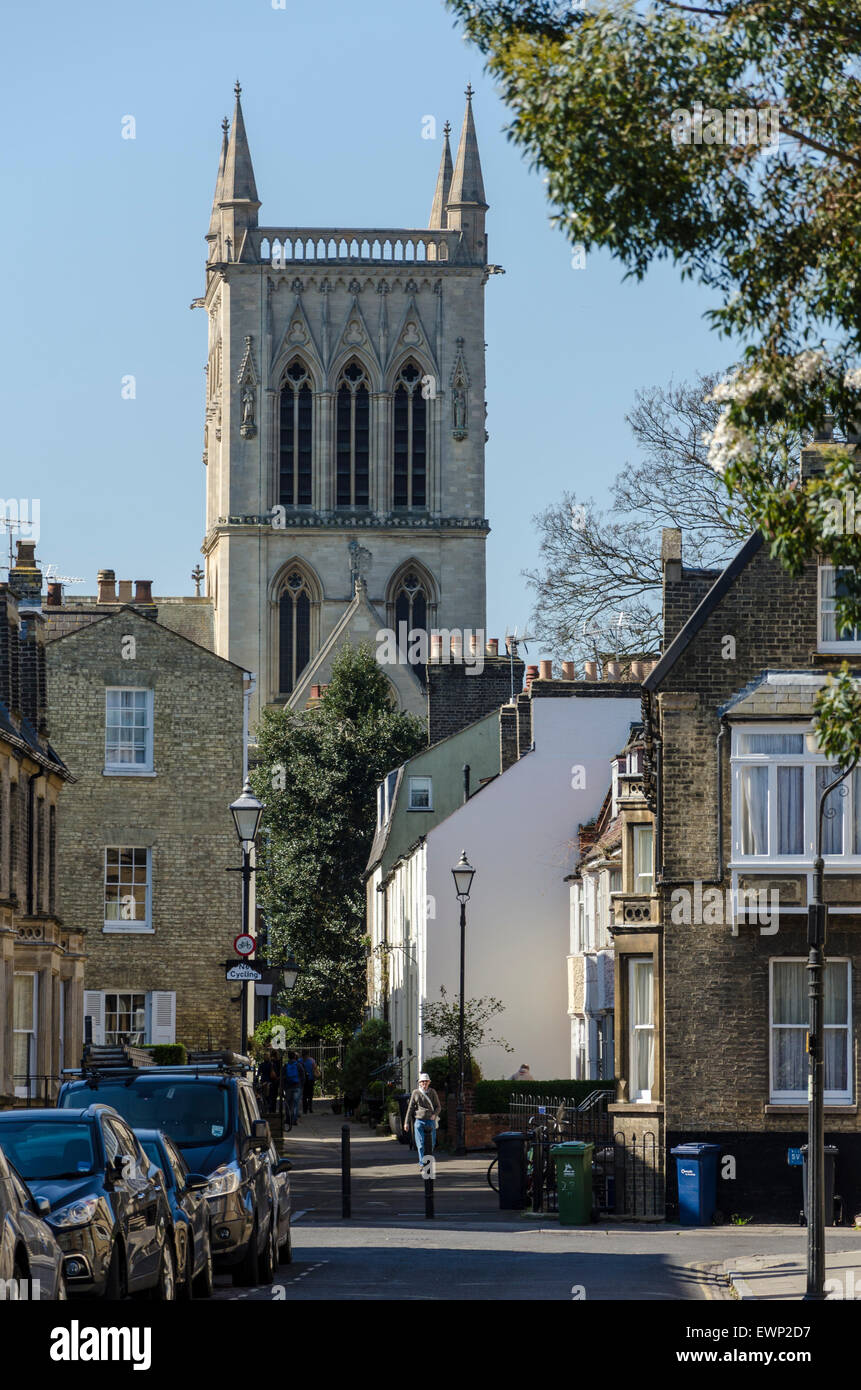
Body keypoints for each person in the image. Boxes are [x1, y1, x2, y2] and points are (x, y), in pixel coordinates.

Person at [404, 1072, 441, 1170]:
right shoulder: (415, 1092)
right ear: (419, 1083)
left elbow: (438, 1107)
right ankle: (422, 1164)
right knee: (420, 1144)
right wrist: (406, 1122)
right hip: (419, 1121)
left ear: (429, 1082)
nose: (424, 1083)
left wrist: (434, 1115)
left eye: (426, 1081)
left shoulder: (432, 1092)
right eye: (422, 1081)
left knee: (431, 1143)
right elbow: (410, 1108)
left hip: (430, 1121)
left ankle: (428, 1163)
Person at [282, 1051, 306, 1127]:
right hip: (297, 1087)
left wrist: (283, 1087)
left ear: (288, 1057)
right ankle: (294, 1120)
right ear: (295, 1057)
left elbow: (282, 1077)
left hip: (288, 1087)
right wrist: (301, 1085)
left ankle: (288, 1119)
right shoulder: (299, 1065)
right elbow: (303, 1076)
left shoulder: (285, 1066)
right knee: (295, 1104)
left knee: (288, 1103)